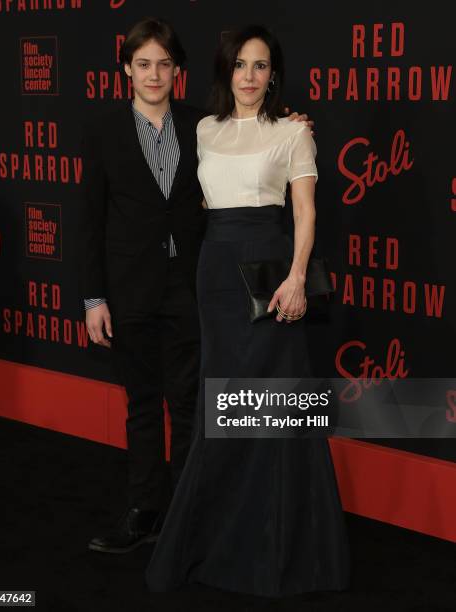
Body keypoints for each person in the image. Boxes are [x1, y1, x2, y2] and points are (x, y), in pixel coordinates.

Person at [79, 18, 314, 555]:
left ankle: (187, 511)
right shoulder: (100, 130)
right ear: (126, 71)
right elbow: (88, 221)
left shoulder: (202, 125)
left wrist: (292, 122)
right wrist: (94, 298)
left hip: (194, 287)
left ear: (178, 72)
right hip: (131, 290)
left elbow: (258, 139)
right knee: (141, 404)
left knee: (192, 403)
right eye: (143, 64)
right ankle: (144, 511)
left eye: (164, 64)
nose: (154, 74)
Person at [145, 25, 350, 597]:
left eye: (261, 66)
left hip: (271, 273)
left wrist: (296, 280)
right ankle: (215, 541)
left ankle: (284, 549)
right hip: (215, 274)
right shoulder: (204, 129)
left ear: (273, 74)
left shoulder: (292, 132)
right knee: (225, 402)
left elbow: (305, 213)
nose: (250, 76)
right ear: (225, 71)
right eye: (241, 64)